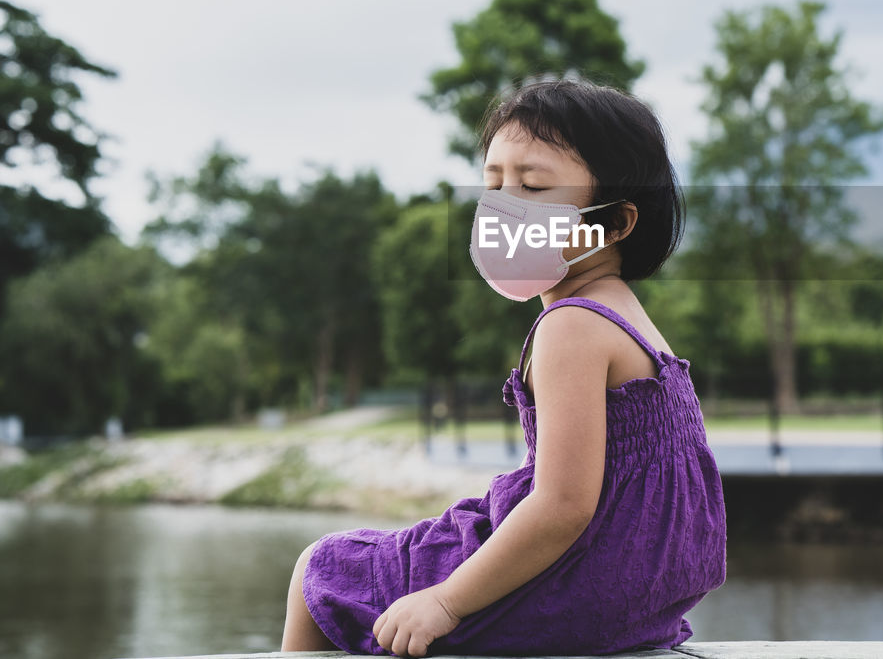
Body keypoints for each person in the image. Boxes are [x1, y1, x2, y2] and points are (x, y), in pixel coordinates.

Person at [281, 76, 729, 657]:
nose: (503, 207)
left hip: (581, 588)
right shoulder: (627, 316)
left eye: (533, 186)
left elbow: (563, 507)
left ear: (614, 224)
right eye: (494, 184)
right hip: (637, 596)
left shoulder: (572, 325)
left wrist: (444, 601)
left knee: (325, 568)